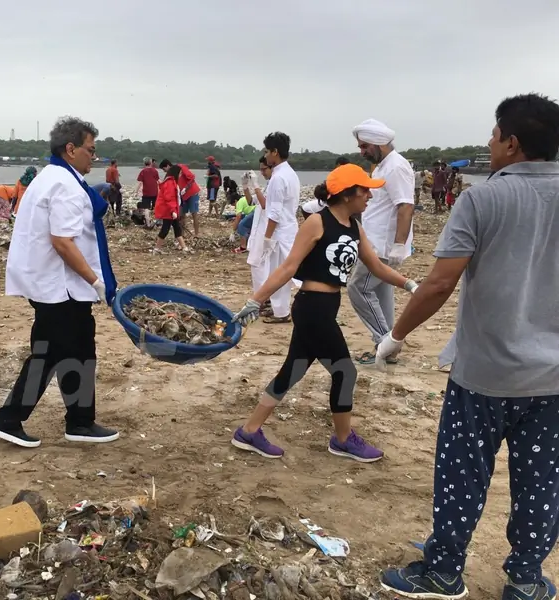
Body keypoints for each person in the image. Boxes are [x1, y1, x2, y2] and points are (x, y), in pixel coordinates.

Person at [376, 93, 559, 600]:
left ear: (512, 143)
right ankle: (525, 580)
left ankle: (443, 571)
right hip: (554, 380)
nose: (488, 142)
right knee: (542, 482)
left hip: (485, 372)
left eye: (495, 134)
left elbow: (437, 285)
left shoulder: (481, 199)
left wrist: (396, 336)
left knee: (463, 474)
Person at [231, 164, 419, 461]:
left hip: (327, 307)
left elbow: (377, 267)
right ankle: (343, 439)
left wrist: (410, 285)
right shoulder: (317, 223)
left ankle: (249, 431)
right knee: (346, 371)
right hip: (312, 307)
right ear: (346, 194)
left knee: (292, 371)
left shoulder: (355, 227)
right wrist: (256, 300)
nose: (369, 196)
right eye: (364, 190)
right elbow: (289, 266)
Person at [0, 117, 119, 447]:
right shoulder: (66, 186)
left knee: (78, 347)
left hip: (50, 283)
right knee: (51, 352)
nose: (94, 156)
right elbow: (63, 242)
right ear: (71, 149)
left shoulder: (51, 177)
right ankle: (9, 418)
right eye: (91, 150)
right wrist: (96, 281)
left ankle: (80, 420)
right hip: (61, 286)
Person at [347, 118, 415, 364]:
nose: (362, 152)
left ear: (378, 144)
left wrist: (398, 244)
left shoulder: (396, 167)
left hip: (383, 248)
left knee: (358, 288)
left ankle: (382, 343)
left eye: (365, 146)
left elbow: (405, 205)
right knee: (381, 292)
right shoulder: (384, 166)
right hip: (375, 243)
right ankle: (391, 348)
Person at [257, 131, 301, 324]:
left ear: (275, 152)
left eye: (267, 151)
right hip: (290, 228)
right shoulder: (291, 174)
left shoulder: (278, 177)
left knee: (279, 272)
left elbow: (273, 211)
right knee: (283, 271)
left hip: (279, 231)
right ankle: (279, 308)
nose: (265, 155)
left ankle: (281, 312)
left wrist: (267, 238)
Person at [244, 157, 272, 310]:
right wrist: (245, 186)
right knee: (257, 265)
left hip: (267, 230)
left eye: (264, 169)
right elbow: (251, 201)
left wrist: (255, 186)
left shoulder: (274, 184)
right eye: (260, 169)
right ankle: (262, 298)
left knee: (260, 266)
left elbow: (264, 203)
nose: (262, 172)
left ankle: (262, 298)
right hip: (259, 229)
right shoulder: (268, 185)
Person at [160, 159, 201, 238]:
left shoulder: (181, 167)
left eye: (164, 169)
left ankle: (197, 234)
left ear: (168, 166)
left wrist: (186, 188)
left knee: (194, 213)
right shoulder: (169, 174)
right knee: (182, 215)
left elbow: (192, 178)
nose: (164, 171)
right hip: (182, 196)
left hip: (192, 193)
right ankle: (182, 235)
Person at [151, 165, 189, 254]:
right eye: (180, 173)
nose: (180, 175)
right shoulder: (170, 183)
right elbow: (169, 198)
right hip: (168, 210)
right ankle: (157, 249)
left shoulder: (172, 182)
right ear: (176, 173)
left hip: (169, 210)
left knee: (176, 228)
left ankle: (184, 247)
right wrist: (173, 211)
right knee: (166, 229)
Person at [229, 189, 255, 253]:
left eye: (234, 205)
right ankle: (250, 245)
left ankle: (243, 247)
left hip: (254, 212)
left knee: (241, 225)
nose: (235, 207)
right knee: (249, 228)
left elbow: (238, 217)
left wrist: (233, 231)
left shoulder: (239, 202)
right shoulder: (244, 199)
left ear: (235, 201)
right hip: (258, 212)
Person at [136, 157, 159, 227]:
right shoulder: (155, 171)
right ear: (151, 163)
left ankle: (148, 224)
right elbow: (158, 181)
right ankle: (157, 221)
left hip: (146, 193)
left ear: (144, 163)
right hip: (155, 192)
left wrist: (136, 191)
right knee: (156, 207)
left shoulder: (143, 171)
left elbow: (140, 183)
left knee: (146, 208)